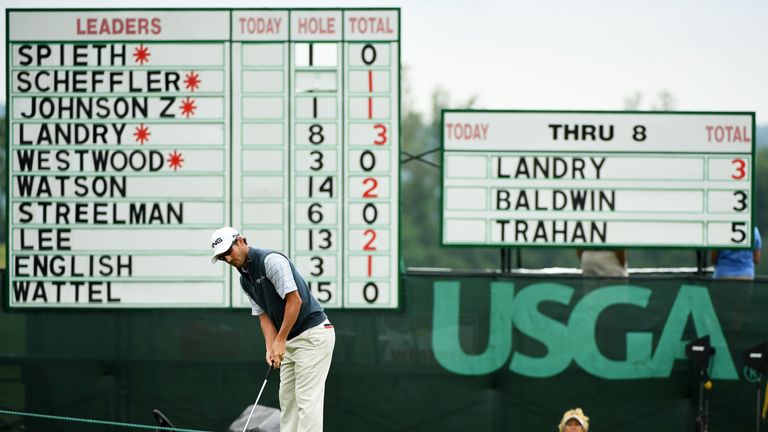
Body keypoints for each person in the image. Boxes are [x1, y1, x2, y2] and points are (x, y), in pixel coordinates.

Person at [210, 226, 335, 432]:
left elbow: (294, 302)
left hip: (313, 336)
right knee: (287, 402)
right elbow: (264, 316)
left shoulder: (271, 261)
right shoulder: (244, 278)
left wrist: (280, 339)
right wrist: (270, 346)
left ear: (241, 241)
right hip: (290, 341)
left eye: (228, 252)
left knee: (306, 402)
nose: (228, 259)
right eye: (222, 257)